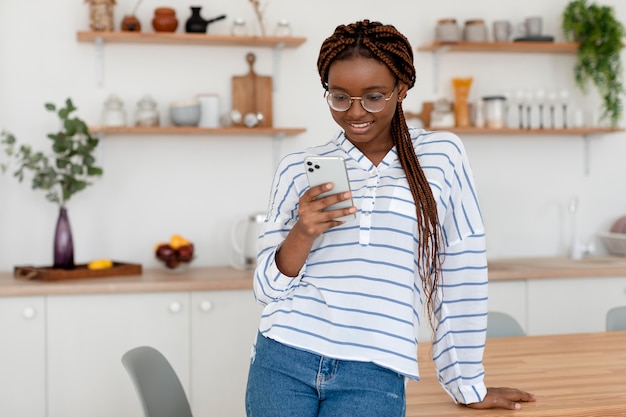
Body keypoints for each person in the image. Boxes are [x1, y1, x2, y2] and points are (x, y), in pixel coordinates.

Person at [245, 20, 535, 417]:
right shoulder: (299, 168)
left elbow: (460, 271)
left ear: (401, 90)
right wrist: (304, 230)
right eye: (340, 97)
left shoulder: (441, 157)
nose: (356, 112)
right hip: (282, 360)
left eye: (374, 96)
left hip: (375, 371)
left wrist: (466, 383)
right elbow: (265, 290)